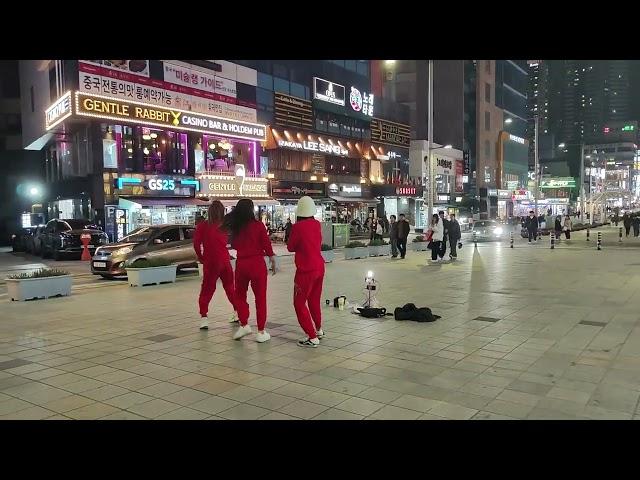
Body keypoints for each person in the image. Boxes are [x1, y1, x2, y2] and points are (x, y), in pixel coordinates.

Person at [224, 198, 277, 343]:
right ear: (251, 210)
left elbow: (233, 244)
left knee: (240, 296)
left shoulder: (236, 227)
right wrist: (272, 259)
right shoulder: (258, 225)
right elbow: (266, 244)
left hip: (241, 264)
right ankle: (261, 332)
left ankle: (244, 323)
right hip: (257, 264)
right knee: (260, 298)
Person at [287, 196, 325, 348]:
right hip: (319, 267)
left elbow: (290, 247)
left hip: (305, 270)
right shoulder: (317, 224)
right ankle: (318, 329)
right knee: (314, 300)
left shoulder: (298, 227)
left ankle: (312, 336)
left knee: (299, 303)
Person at [193, 201, 237, 330]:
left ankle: (204, 317)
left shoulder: (202, 226)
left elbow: (196, 244)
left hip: (211, 261)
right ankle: (237, 311)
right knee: (230, 288)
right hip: (225, 260)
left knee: (207, 289)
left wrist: (201, 258)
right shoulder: (225, 226)